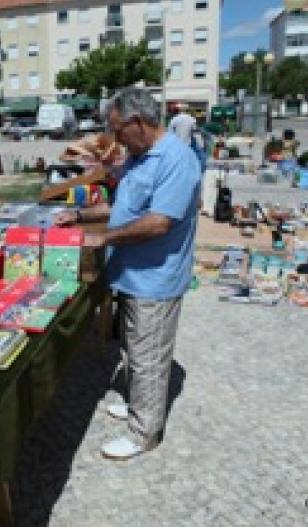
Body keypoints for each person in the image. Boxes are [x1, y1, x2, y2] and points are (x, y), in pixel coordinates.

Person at [54, 87, 201, 460]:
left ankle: (144, 432)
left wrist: (100, 239)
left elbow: (156, 224)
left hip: (156, 277)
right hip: (133, 273)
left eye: (119, 130)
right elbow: (126, 209)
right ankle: (141, 403)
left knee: (148, 354)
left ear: (138, 123)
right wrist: (81, 216)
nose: (116, 138)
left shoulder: (177, 160)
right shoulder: (140, 157)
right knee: (135, 348)